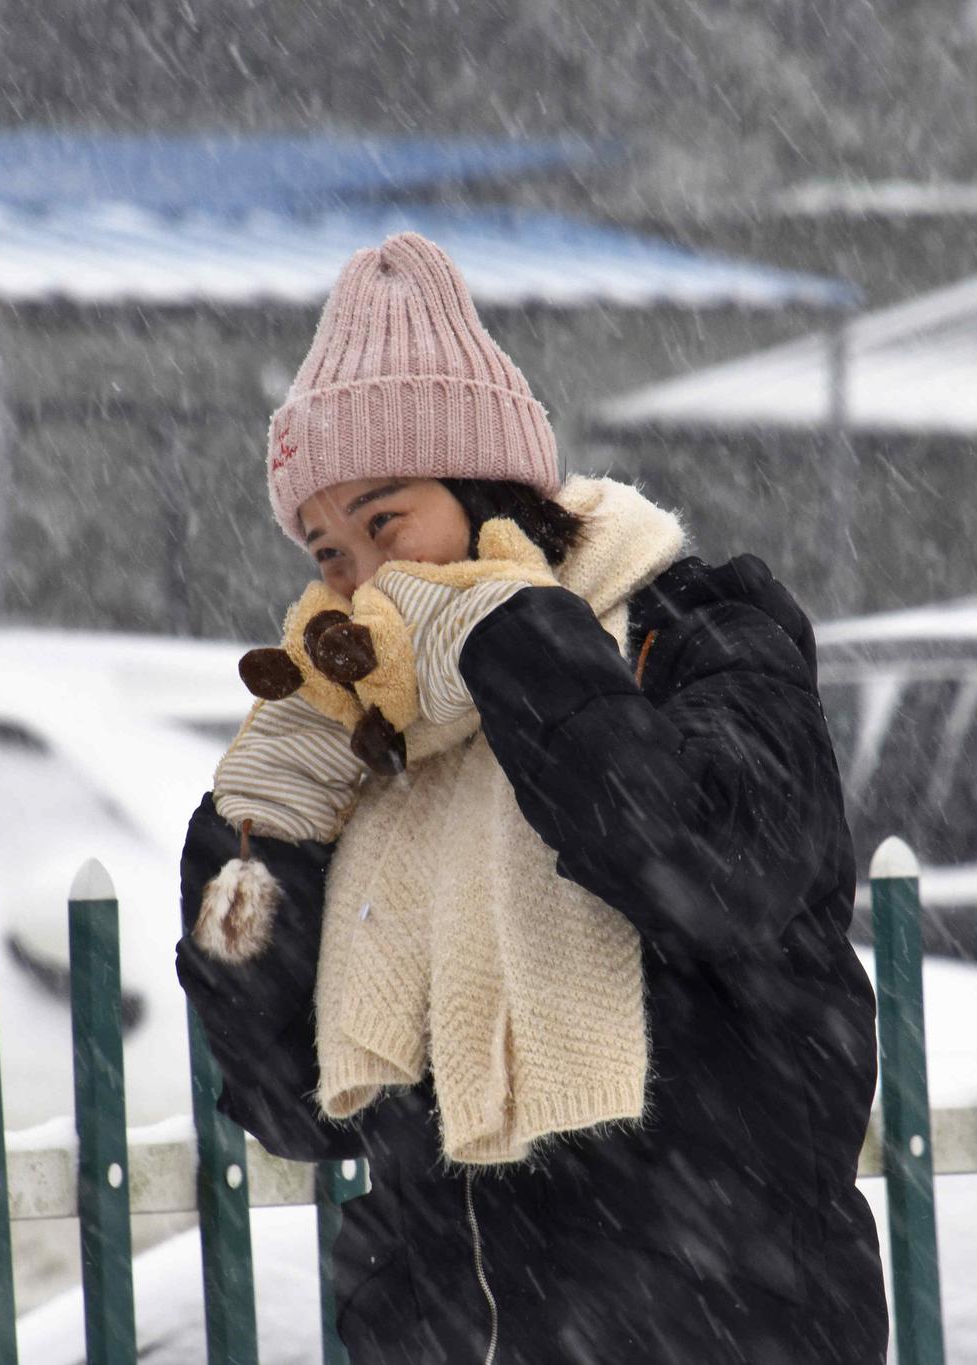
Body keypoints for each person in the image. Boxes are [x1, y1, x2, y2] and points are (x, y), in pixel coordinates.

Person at [176, 230, 886, 1364]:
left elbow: (710, 877)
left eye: (382, 518)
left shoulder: (696, 636)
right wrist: (254, 836)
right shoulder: (372, 746)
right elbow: (282, 1099)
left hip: (720, 1324)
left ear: (486, 490)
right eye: (323, 546)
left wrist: (511, 647)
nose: (355, 573)